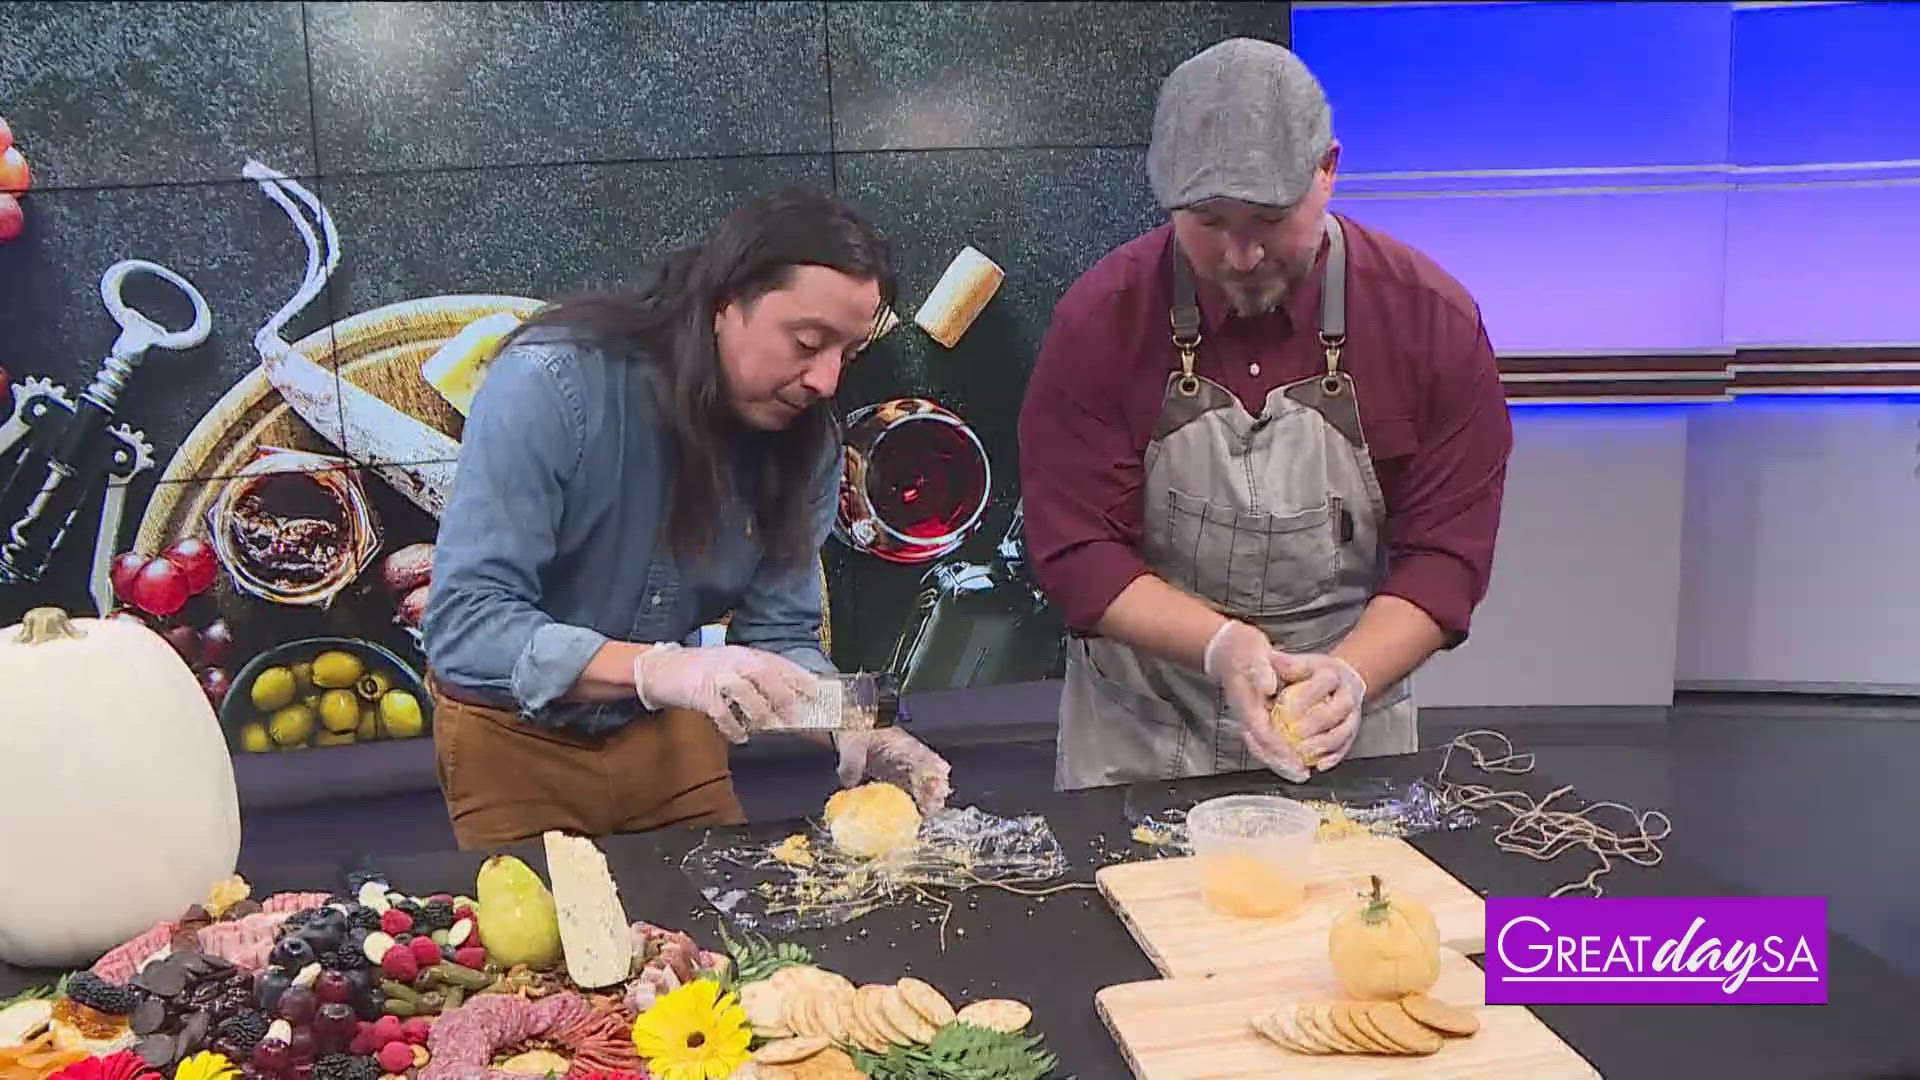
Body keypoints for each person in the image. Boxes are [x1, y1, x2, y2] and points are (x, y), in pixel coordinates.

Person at [1018, 38, 1513, 791]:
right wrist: (1221, 647)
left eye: (1268, 218)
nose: (1242, 255)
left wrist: (1348, 675)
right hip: (1145, 732)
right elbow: (1077, 551)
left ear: (1328, 169)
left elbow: (1446, 555)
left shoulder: (1429, 321)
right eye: (1209, 221)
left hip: (1343, 723)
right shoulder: (1100, 321)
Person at [423, 186, 952, 849]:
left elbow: (779, 637)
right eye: (807, 342)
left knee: (723, 937)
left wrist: (859, 718)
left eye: (846, 354)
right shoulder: (550, 384)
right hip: (511, 743)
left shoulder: (806, 444)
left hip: (669, 733)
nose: (825, 382)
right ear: (722, 303)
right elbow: (467, 627)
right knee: (544, 950)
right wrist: (659, 669)